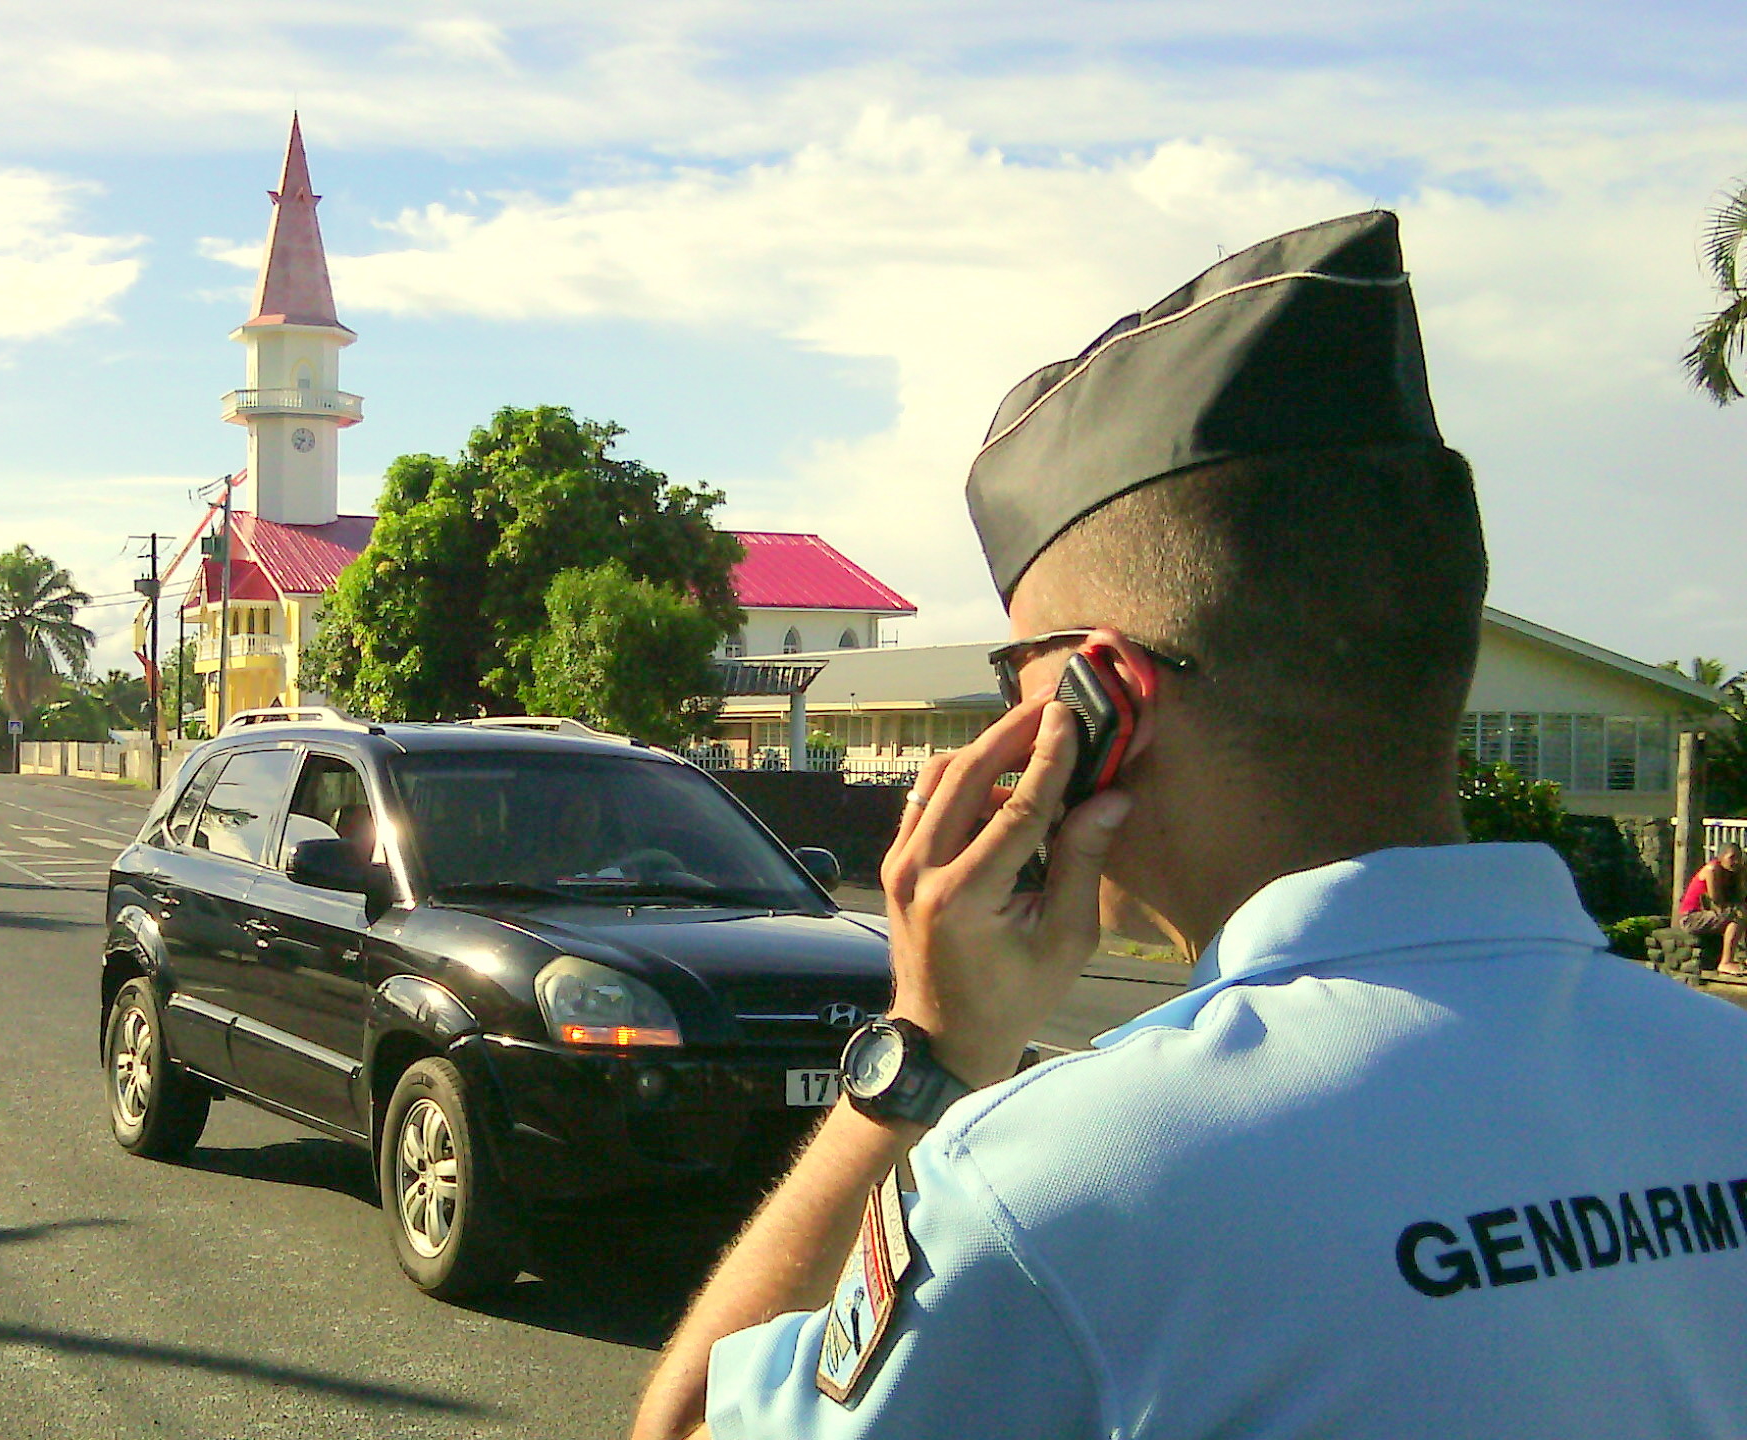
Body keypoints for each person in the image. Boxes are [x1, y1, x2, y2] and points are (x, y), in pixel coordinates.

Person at [630, 212, 1747, 1440]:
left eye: (1020, 669)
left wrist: (927, 1054)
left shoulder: (1064, 1182)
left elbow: (680, 1426)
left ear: (1103, 702)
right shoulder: (1717, 1072)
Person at [1676, 841, 1746, 976]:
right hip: (1691, 918)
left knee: (1742, 911)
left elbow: (1740, 897)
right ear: (1720, 857)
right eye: (1732, 857)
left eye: (1739, 857)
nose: (1736, 861)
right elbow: (1717, 901)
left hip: (1712, 914)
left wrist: (1742, 877)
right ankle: (1725, 962)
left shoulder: (1732, 872)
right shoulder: (1712, 870)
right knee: (1738, 916)